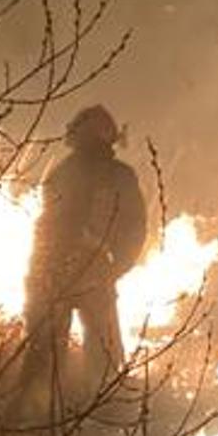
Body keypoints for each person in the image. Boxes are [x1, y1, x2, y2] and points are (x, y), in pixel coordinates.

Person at [14, 105, 148, 416]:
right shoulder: (115, 175)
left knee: (43, 358)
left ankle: (33, 423)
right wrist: (116, 267)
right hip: (89, 273)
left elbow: (47, 227)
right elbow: (135, 228)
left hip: (55, 274)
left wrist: (39, 274)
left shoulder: (63, 172)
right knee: (102, 357)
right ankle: (106, 419)